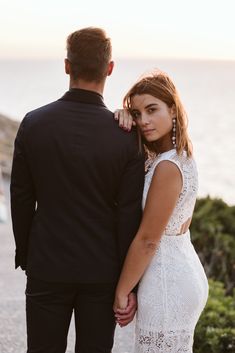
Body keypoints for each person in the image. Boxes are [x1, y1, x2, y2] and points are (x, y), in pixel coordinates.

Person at [10, 27, 145, 353]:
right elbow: (129, 214)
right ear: (109, 68)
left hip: (47, 264)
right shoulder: (126, 135)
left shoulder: (33, 124)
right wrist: (129, 283)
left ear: (67, 65)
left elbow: (21, 198)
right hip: (103, 272)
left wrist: (27, 253)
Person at [113, 71, 209, 352]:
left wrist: (122, 290)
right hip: (181, 272)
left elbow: (148, 240)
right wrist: (120, 118)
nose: (143, 120)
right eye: (137, 113)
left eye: (152, 110)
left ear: (173, 109)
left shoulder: (167, 167)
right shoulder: (178, 156)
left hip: (167, 283)